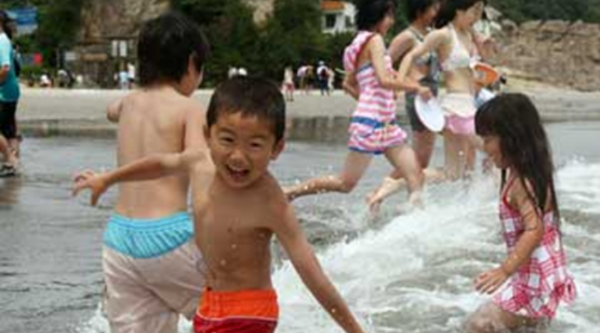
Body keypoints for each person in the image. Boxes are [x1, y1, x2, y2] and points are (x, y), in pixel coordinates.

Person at [73, 77, 368, 333]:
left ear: (276, 148)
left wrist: (352, 328)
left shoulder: (269, 200)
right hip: (210, 306)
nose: (238, 157)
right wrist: (109, 178)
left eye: (254, 145)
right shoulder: (200, 163)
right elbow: (161, 163)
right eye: (227, 140)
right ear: (207, 135)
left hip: (250, 312)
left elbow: (309, 270)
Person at [74, 12, 212, 333]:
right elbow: (197, 161)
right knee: (225, 311)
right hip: (167, 235)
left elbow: (111, 111)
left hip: (119, 239)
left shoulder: (128, 103)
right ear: (192, 63)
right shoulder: (189, 108)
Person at [285, 0, 426, 208]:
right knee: (345, 183)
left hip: (384, 122)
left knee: (416, 176)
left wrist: (371, 100)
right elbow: (383, 80)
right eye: (388, 16)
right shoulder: (375, 40)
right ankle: (290, 191)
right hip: (372, 123)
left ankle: (415, 221)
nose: (391, 21)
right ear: (375, 16)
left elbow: (348, 83)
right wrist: (415, 87)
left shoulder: (358, 43)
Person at [465, 93, 576, 332]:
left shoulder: (521, 183)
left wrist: (504, 270)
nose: (484, 148)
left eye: (488, 139)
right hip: (541, 275)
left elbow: (535, 229)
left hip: (534, 280)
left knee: (479, 324)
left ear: (512, 138)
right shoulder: (532, 171)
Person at [366, 0, 490, 208]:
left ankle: (391, 186)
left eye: (479, 11)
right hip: (456, 109)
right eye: (473, 11)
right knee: (496, 150)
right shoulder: (443, 34)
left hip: (468, 106)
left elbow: (483, 64)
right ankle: (493, 204)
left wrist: (480, 42)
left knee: (452, 174)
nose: (476, 16)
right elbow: (411, 56)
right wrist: (399, 85)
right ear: (459, 10)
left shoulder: (468, 36)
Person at [0, 10, 20, 177]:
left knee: (7, 128)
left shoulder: (1, 41)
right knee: (9, 130)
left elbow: (5, 68)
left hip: (3, 91)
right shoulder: (6, 40)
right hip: (11, 90)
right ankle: (13, 162)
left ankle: (9, 159)